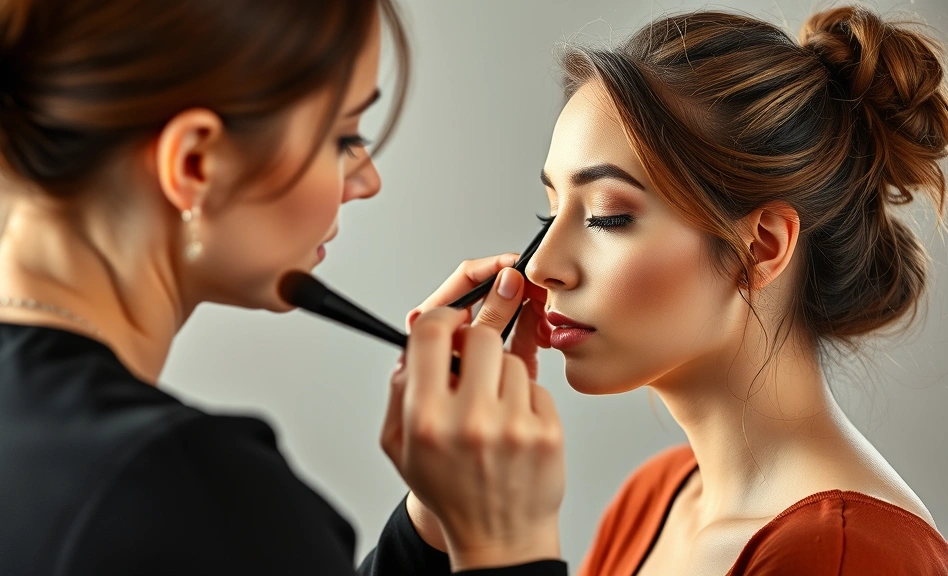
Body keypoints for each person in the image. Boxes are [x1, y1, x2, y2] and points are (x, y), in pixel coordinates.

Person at [405, 5, 948, 575]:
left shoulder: (849, 557)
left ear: (762, 247)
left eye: (607, 216)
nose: (542, 267)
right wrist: (437, 516)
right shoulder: (656, 499)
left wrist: (497, 542)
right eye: (549, 212)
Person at [0, 1, 566, 574]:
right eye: (344, 136)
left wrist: (436, 518)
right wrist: (505, 542)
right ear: (196, 162)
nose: (366, 180)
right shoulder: (184, 492)